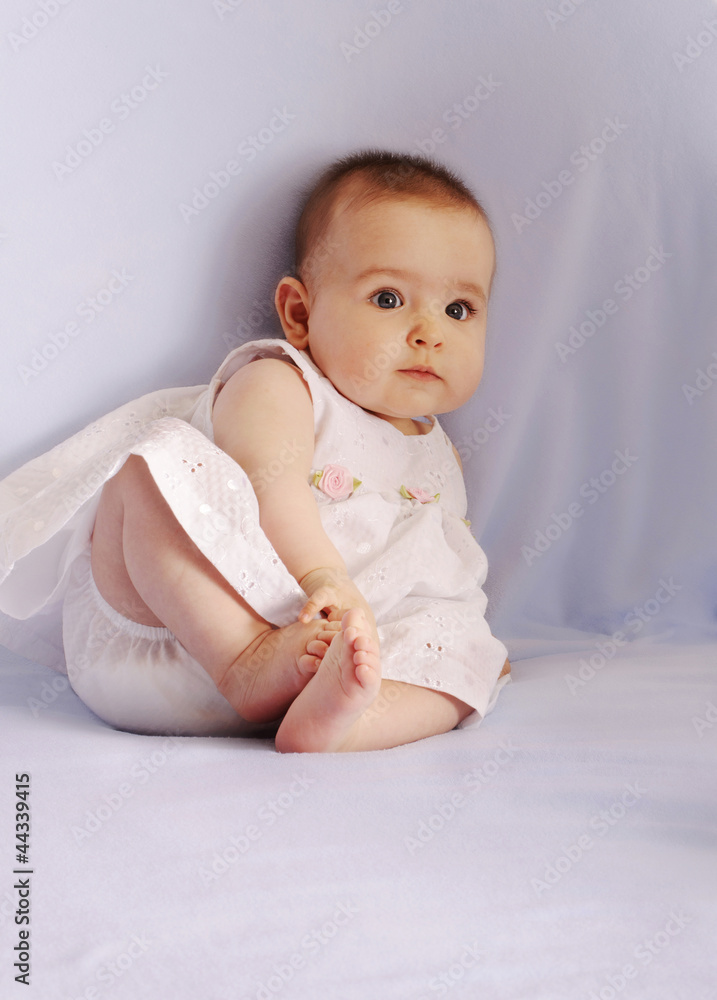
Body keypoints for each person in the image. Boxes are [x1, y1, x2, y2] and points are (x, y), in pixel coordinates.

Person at [0, 149, 510, 753]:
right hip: (176, 645)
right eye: (388, 299)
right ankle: (245, 658)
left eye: (458, 309)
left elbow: (439, 576)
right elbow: (269, 488)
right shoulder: (282, 384)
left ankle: (344, 725)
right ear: (300, 313)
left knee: (467, 661)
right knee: (150, 465)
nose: (429, 333)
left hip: (324, 661)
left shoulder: (439, 455)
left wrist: (463, 639)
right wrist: (324, 578)